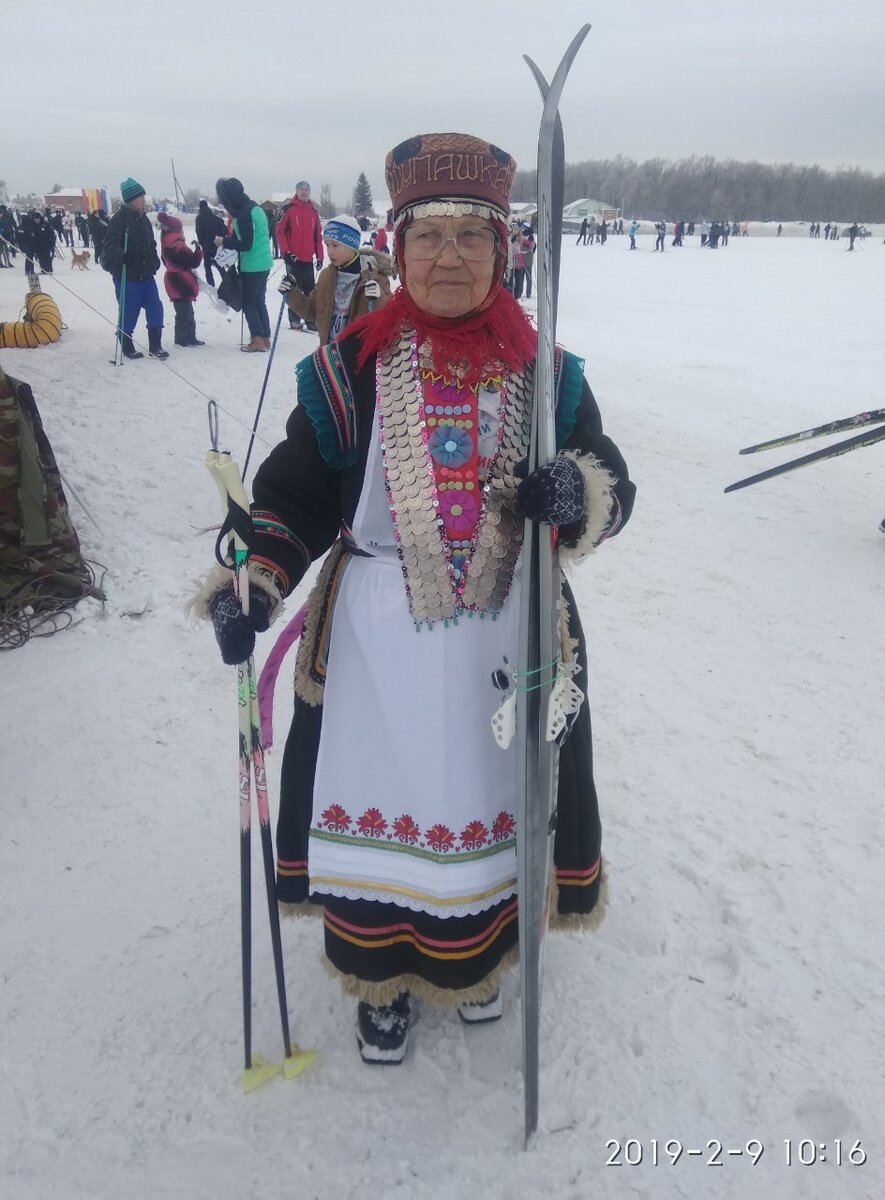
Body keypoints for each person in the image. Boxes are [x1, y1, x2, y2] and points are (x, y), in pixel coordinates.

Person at [200, 130, 636, 1064]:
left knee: (496, 799)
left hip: (510, 640)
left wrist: (576, 490)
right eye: (428, 236)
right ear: (398, 250)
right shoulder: (349, 368)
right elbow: (293, 494)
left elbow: (608, 474)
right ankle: (383, 980)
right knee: (382, 800)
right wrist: (257, 580)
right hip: (374, 647)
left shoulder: (548, 373)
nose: (448, 257)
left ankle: (479, 962)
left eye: (471, 236)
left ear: (502, 252)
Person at [277, 213, 392, 345]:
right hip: (329, 352)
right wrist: (291, 292)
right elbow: (310, 311)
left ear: (352, 245)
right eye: (327, 245)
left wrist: (379, 298)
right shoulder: (326, 276)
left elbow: (389, 319)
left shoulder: (375, 277)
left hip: (358, 354)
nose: (330, 251)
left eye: (335, 245)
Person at [101, 177, 168, 361]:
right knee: (128, 312)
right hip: (127, 276)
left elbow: (151, 244)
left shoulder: (144, 219)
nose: (143, 200)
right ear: (131, 199)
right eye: (140, 197)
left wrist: (154, 260)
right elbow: (110, 246)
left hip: (146, 275)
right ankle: (127, 345)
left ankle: (155, 346)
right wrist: (123, 255)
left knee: (156, 308)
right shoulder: (119, 220)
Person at [214, 177, 274, 352]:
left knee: (249, 303)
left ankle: (258, 338)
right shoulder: (255, 208)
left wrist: (224, 242)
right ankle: (265, 337)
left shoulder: (244, 213)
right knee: (259, 301)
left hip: (253, 266)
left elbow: (247, 244)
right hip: (263, 263)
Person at [276, 181, 324, 332]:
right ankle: (294, 319)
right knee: (295, 289)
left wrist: (320, 256)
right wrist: (286, 252)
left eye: (306, 189)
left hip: (308, 259)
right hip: (293, 258)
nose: (304, 192)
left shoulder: (313, 213)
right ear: (296, 191)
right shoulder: (288, 209)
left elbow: (318, 236)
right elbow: (280, 232)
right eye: (301, 189)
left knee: (310, 290)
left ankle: (310, 319)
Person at [157, 211, 205, 348]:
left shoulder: (165, 244)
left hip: (172, 279)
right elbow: (194, 262)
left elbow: (165, 261)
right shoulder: (179, 246)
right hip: (182, 281)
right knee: (185, 312)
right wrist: (198, 249)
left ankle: (188, 337)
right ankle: (183, 339)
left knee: (184, 310)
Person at [195, 199, 227, 285]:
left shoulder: (199, 218)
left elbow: (199, 232)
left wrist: (202, 243)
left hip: (206, 246)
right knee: (219, 265)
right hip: (216, 244)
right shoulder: (215, 218)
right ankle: (227, 283)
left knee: (207, 267)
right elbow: (221, 231)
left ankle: (211, 285)